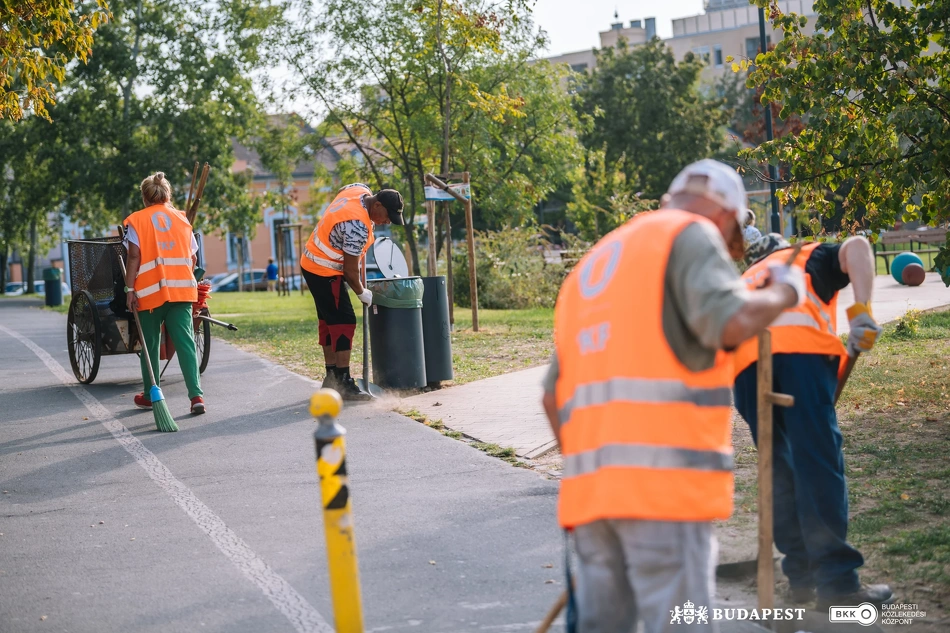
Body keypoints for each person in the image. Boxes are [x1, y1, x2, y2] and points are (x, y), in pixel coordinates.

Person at [541, 159, 806, 633]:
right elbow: (728, 320)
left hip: (592, 500)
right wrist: (785, 293)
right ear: (726, 215)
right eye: (730, 247)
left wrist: (600, 471)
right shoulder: (691, 234)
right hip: (662, 492)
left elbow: (550, 397)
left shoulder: (593, 263)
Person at [733, 233, 891, 609]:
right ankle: (838, 586)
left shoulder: (742, 281)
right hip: (800, 354)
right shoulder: (806, 256)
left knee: (781, 472)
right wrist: (861, 310)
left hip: (745, 370)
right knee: (817, 463)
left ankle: (800, 582)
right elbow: (858, 245)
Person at [300, 182, 404, 400]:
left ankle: (332, 378)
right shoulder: (356, 226)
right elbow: (349, 271)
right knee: (344, 321)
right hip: (323, 269)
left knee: (329, 321)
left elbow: (342, 191)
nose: (387, 222)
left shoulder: (358, 190)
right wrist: (361, 292)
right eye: (387, 216)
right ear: (376, 205)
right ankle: (343, 382)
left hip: (311, 261)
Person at [123, 172, 205, 415]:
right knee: (185, 342)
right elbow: (193, 257)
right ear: (167, 195)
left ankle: (151, 395)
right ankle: (196, 396)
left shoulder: (137, 220)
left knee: (149, 344)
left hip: (150, 293)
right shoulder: (182, 219)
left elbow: (134, 256)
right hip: (181, 291)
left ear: (145, 197)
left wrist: (129, 289)